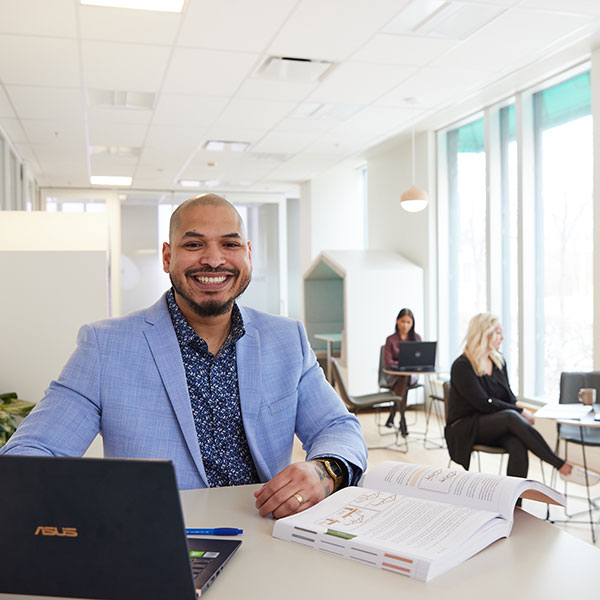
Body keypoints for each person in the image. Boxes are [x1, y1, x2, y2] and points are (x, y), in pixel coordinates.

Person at [0, 193, 367, 519]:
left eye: (230, 244)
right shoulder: (105, 346)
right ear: (167, 256)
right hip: (158, 544)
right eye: (194, 244)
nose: (213, 259)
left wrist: (324, 471)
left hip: (270, 536)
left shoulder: (285, 339)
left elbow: (337, 427)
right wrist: (97, 507)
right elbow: (33, 452)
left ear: (248, 255)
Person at [445, 313, 596, 485]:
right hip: (466, 427)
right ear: (484, 334)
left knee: (518, 445)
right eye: (498, 332)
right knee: (510, 416)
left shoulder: (498, 361)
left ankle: (514, 505)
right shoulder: (462, 365)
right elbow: (482, 403)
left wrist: (517, 414)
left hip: (494, 424)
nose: (502, 337)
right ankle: (561, 465)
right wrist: (520, 412)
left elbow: (509, 398)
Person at [383, 308, 422, 434]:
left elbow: (420, 359)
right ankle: (403, 420)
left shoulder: (417, 338)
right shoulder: (390, 339)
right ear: (397, 321)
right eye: (403, 321)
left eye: (408, 322)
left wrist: (409, 366)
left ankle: (394, 415)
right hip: (394, 375)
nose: (405, 325)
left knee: (405, 378)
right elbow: (388, 362)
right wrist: (403, 365)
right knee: (403, 379)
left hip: (412, 376)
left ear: (412, 323)